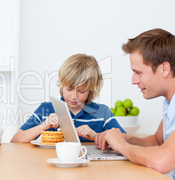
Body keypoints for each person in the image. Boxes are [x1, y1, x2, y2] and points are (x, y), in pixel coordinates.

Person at [95, 28, 175, 178]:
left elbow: (163, 161)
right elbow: (158, 141)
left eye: (138, 73)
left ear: (165, 68)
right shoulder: (169, 102)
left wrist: (122, 146)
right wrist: (127, 139)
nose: (134, 81)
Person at [11, 54, 125, 143]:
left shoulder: (102, 112)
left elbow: (124, 142)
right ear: (62, 84)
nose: (74, 96)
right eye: (69, 89)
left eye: (81, 91)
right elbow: (16, 140)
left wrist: (95, 136)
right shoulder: (46, 109)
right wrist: (43, 125)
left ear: (91, 89)